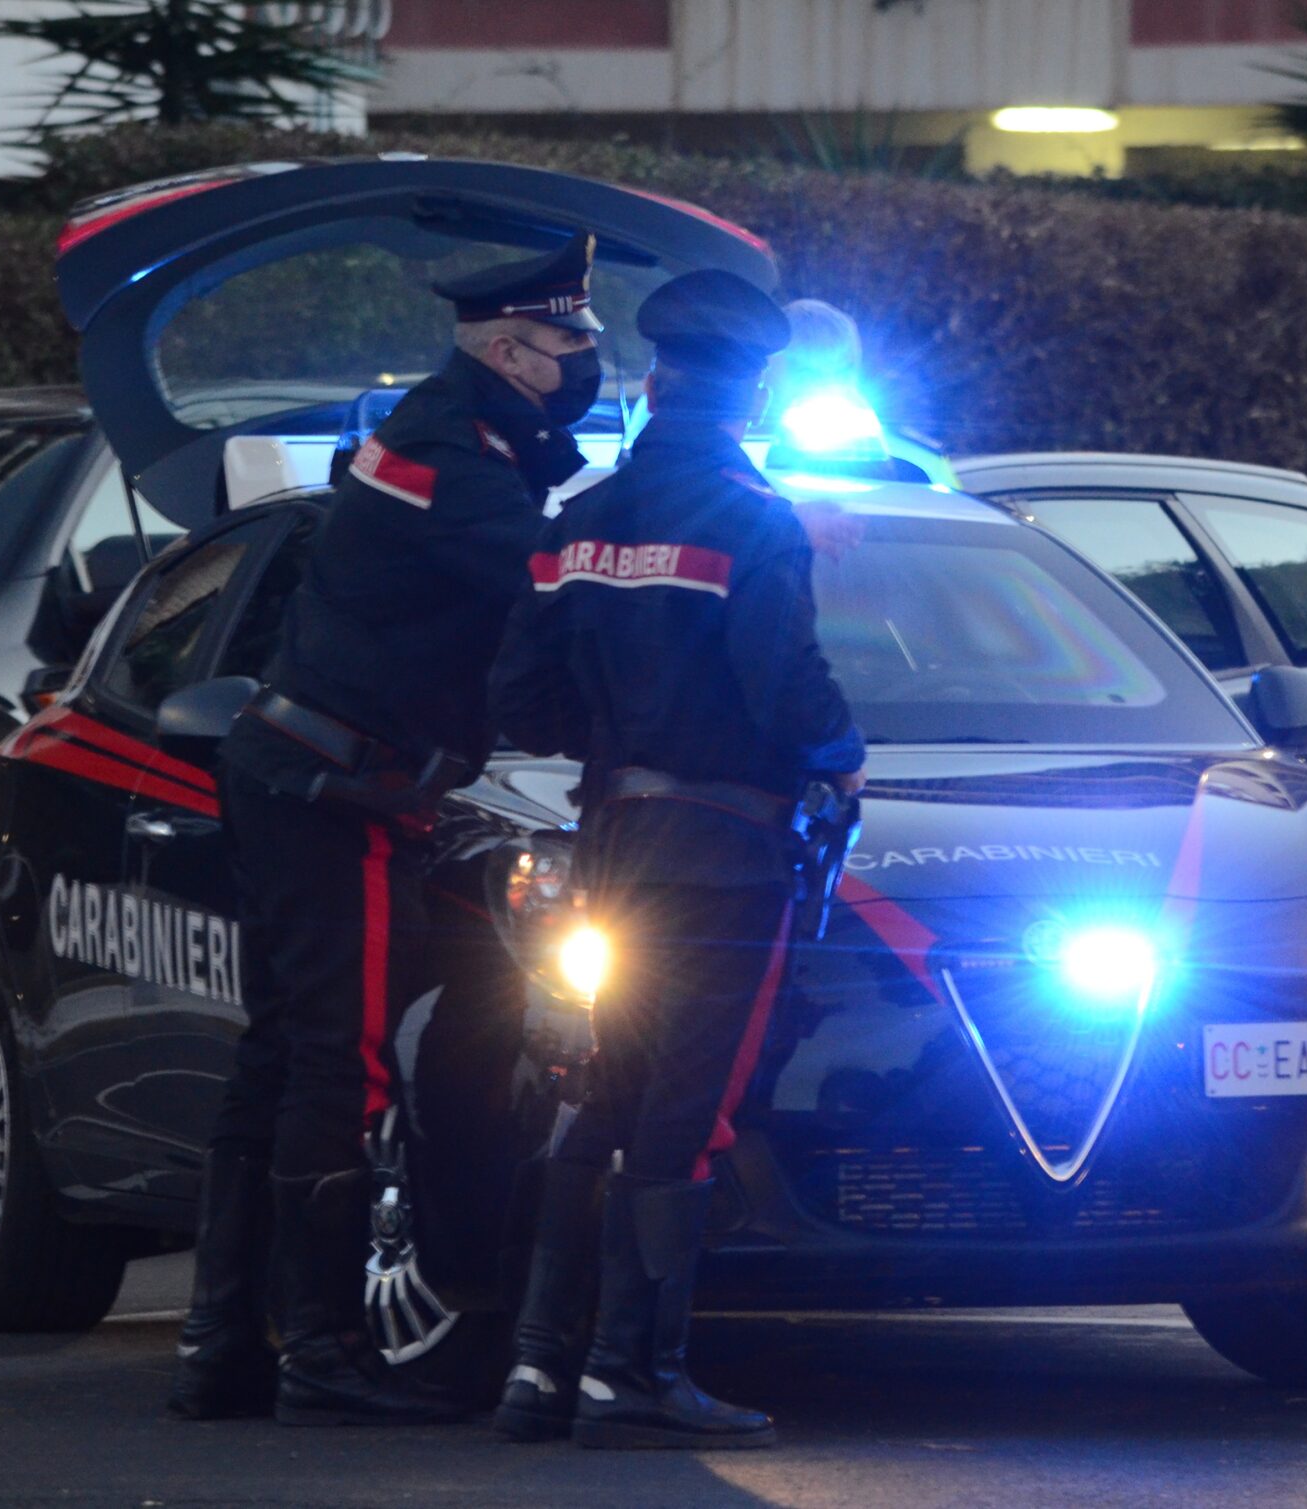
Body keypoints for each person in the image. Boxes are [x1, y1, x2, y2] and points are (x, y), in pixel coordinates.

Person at [167, 234, 606, 1426]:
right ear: (508, 346)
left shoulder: (467, 437)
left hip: (324, 778)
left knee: (284, 1054)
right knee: (337, 1057)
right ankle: (320, 1348)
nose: (584, 362)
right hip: (332, 790)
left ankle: (225, 1344)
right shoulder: (444, 455)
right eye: (569, 341)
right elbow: (546, 583)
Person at [485, 269, 866, 1451]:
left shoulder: (584, 519)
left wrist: (617, 740)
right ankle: (634, 1372)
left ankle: (540, 1373)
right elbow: (781, 678)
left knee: (600, 1090)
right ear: (751, 397)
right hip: (722, 855)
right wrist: (841, 754)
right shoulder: (752, 518)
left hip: (614, 843)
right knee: (682, 1107)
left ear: (655, 385)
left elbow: (519, 694)